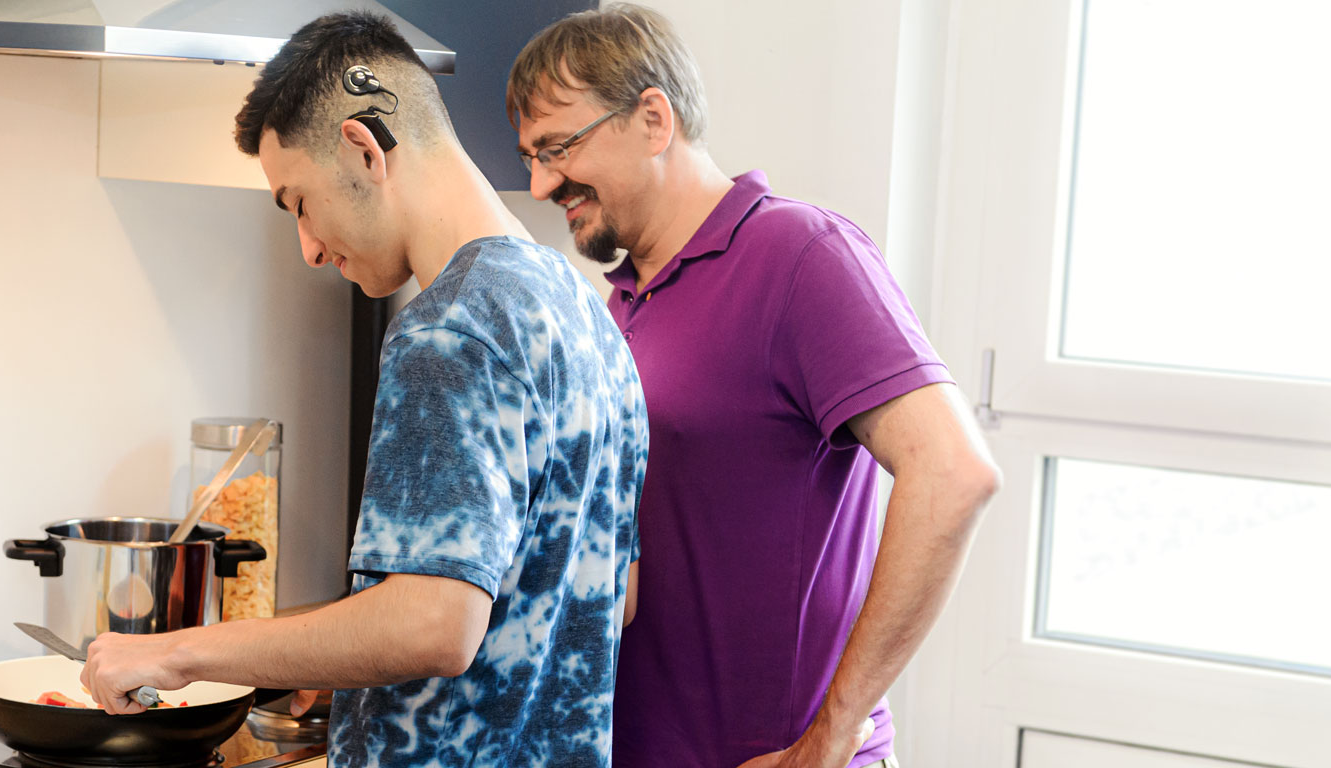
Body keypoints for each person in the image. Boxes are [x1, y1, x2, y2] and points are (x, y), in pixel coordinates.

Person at [79, 11, 648, 768]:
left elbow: (433, 627)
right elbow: (611, 593)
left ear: (362, 147)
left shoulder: (449, 330)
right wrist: (330, 657)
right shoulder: (583, 312)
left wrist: (178, 654)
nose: (310, 248)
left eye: (300, 203)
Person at [505, 6, 1002, 768]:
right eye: (530, 157)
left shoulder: (801, 255)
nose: (540, 182)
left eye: (558, 148)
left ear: (652, 118)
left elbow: (954, 472)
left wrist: (832, 735)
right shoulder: (624, 300)